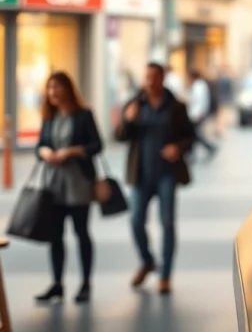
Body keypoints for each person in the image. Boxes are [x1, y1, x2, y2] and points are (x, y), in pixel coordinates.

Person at [116, 63, 196, 295]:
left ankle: (165, 274)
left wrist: (177, 148)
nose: (150, 82)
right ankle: (148, 260)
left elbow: (190, 136)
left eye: (155, 77)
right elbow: (119, 135)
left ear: (163, 79)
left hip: (166, 175)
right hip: (140, 174)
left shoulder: (176, 107)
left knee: (167, 223)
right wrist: (129, 120)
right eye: (147, 77)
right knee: (135, 221)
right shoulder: (134, 105)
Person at [35, 72, 102, 304]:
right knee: (55, 236)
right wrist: (44, 152)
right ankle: (57, 283)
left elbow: (97, 145)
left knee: (81, 233)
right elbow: (41, 144)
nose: (52, 92)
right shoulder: (49, 116)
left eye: (56, 87)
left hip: (79, 183)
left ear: (67, 88)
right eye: (49, 88)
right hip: (53, 184)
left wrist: (72, 151)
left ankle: (85, 283)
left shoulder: (83, 115)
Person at [185, 70, 217, 157]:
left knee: (195, 134)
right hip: (195, 113)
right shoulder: (198, 85)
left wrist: (198, 113)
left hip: (197, 114)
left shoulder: (199, 86)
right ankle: (194, 150)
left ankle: (209, 147)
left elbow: (200, 101)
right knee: (194, 134)